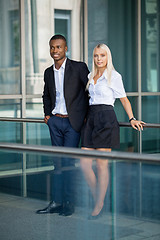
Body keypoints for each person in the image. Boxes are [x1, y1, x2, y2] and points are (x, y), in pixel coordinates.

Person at [80, 43, 145, 220]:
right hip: (91, 119)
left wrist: (132, 118)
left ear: (108, 57)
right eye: (96, 56)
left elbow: (124, 100)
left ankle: (99, 203)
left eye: (102, 55)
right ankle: (99, 197)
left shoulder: (114, 76)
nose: (99, 59)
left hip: (106, 118)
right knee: (84, 164)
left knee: (102, 165)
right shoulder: (90, 75)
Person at [36, 34, 89, 216]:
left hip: (73, 123)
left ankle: (69, 202)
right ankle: (56, 201)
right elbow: (47, 96)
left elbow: (88, 92)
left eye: (58, 47)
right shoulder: (48, 72)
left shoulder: (79, 68)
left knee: (68, 162)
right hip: (55, 121)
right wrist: (47, 115)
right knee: (57, 163)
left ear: (65, 48)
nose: (55, 51)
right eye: (52, 47)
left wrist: (84, 118)